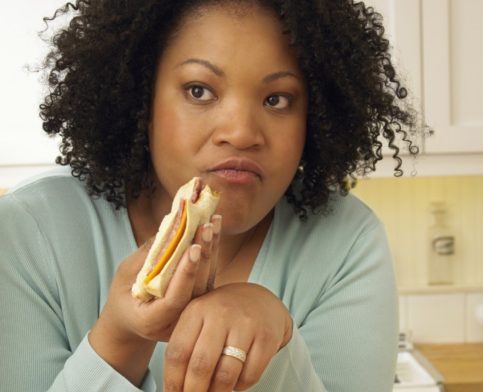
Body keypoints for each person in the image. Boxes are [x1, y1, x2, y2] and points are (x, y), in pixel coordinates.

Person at [0, 0, 420, 391]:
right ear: (139, 96)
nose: (240, 132)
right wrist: (120, 339)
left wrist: (277, 342)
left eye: (277, 100)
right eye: (199, 90)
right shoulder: (28, 231)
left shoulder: (348, 242)